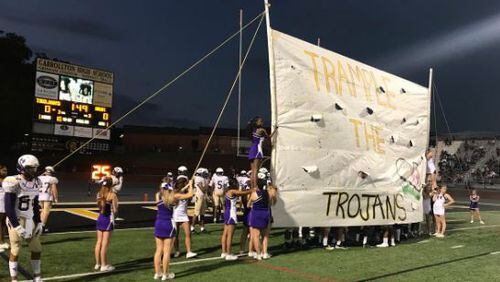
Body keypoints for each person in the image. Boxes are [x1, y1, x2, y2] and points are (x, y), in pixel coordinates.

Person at [4, 155, 44, 282]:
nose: (33, 171)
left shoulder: (37, 182)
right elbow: (8, 207)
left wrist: (39, 222)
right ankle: (14, 279)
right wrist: (16, 225)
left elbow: (35, 204)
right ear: (22, 168)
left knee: (37, 249)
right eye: (30, 168)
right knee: (15, 249)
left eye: (35, 168)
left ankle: (37, 276)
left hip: (30, 219)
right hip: (16, 218)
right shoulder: (13, 181)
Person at [153, 177, 193, 280]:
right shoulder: (174, 197)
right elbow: (190, 195)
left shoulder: (158, 195)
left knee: (158, 251)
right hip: (168, 224)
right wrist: (191, 185)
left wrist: (186, 186)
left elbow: (174, 193)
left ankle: (158, 273)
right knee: (166, 251)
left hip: (158, 223)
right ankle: (166, 274)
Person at [221, 178, 252, 260]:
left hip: (227, 213)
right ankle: (228, 254)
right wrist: (252, 190)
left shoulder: (227, 191)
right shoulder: (232, 191)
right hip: (231, 214)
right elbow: (243, 193)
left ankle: (224, 252)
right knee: (230, 235)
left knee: (225, 234)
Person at [248, 172, 277, 260]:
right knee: (265, 235)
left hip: (256, 214)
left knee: (256, 236)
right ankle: (265, 253)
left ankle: (258, 253)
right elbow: (273, 202)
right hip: (266, 214)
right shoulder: (269, 193)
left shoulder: (254, 194)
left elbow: (248, 205)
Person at [94, 177, 118, 272]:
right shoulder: (112, 195)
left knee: (98, 242)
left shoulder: (99, 194)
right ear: (111, 185)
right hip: (108, 219)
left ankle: (97, 263)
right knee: (104, 244)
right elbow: (115, 210)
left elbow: (99, 206)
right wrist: (115, 216)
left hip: (100, 218)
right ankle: (104, 265)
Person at [173, 175, 197, 259]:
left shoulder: (184, 191)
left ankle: (189, 252)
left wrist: (189, 186)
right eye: (185, 182)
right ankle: (177, 251)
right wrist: (190, 185)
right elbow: (190, 195)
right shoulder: (176, 192)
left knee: (188, 234)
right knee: (175, 235)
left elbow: (190, 197)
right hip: (175, 215)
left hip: (183, 215)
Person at [247, 116, 269, 189]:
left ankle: (252, 187)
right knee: (256, 170)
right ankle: (255, 187)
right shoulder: (262, 130)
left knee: (253, 171)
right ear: (256, 122)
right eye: (260, 121)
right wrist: (275, 130)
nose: (262, 122)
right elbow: (268, 138)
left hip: (252, 149)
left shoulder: (253, 130)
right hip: (257, 149)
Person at [38, 166, 59, 232]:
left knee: (42, 210)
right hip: (47, 196)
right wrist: (56, 198)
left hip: (40, 196)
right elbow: (54, 189)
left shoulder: (39, 178)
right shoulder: (52, 179)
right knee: (46, 212)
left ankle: (39, 225)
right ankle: (42, 227)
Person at [191, 168, 208, 233]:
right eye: (205, 173)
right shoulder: (198, 178)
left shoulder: (204, 179)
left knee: (202, 213)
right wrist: (206, 187)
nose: (206, 175)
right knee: (196, 213)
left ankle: (202, 228)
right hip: (199, 196)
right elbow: (202, 189)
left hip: (203, 196)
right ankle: (192, 228)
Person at [0, 164, 9, 252]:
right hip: (0, 204)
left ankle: (2, 242)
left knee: (3, 224)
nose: (5, 172)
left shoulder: (5, 180)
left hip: (4, 204)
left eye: (6, 170)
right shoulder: (3, 181)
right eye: (3, 170)